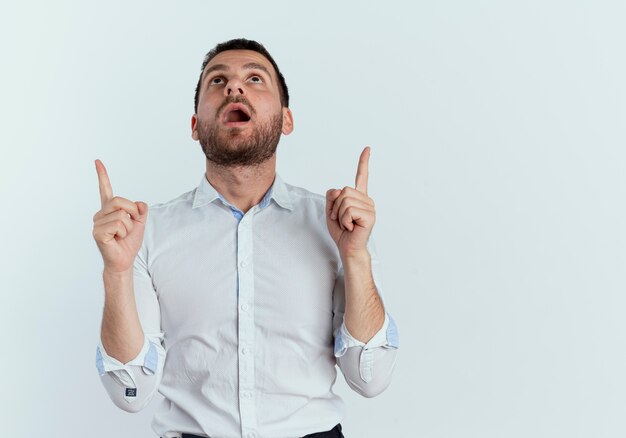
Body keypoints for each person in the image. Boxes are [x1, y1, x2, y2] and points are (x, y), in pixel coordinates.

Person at [92, 38, 399, 438]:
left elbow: (370, 379)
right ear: (195, 125)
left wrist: (355, 256)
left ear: (287, 120)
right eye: (217, 81)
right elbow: (131, 393)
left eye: (255, 78)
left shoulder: (338, 227)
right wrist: (116, 271)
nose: (234, 88)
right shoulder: (146, 234)